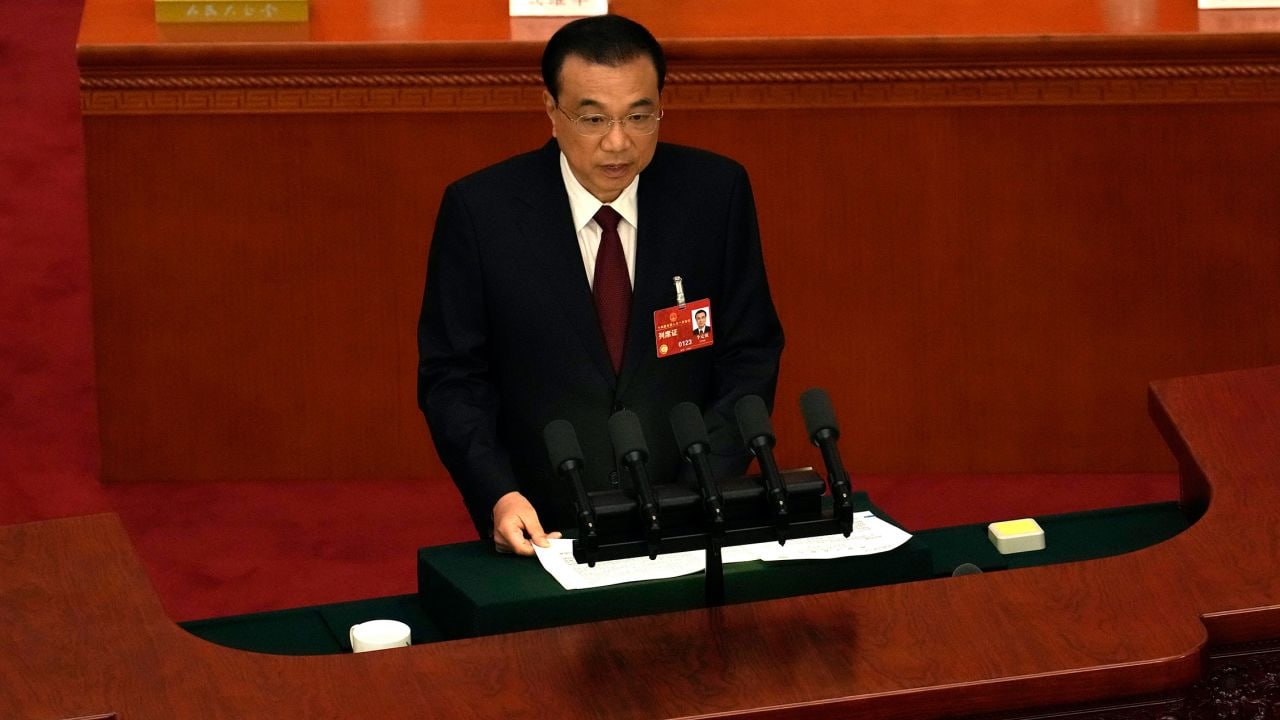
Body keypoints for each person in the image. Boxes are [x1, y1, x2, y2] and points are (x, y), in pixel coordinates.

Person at [417, 14, 783, 556]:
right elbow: (452, 376)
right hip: (544, 525)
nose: (618, 142)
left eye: (639, 116)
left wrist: (704, 483)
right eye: (593, 119)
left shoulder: (714, 193)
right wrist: (497, 493)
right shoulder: (481, 212)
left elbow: (750, 351)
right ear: (551, 110)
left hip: (691, 512)